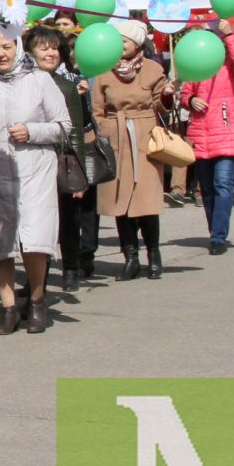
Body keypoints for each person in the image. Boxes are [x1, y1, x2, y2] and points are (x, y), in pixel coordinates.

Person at [0, 27, 69, 334]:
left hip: (35, 165)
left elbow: (64, 126)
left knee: (34, 237)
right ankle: (9, 307)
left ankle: (37, 299)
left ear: (18, 48)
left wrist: (33, 131)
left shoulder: (39, 79)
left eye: (7, 47)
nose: (2, 54)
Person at [91, 20, 170, 280]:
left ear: (137, 43)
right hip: (117, 139)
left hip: (144, 138)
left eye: (124, 40)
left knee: (146, 201)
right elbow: (97, 110)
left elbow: (162, 105)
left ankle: (154, 255)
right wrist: (105, 132)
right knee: (120, 202)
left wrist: (168, 95)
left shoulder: (153, 69)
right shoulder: (104, 71)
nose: (120, 45)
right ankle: (130, 256)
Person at [27, 26, 97, 289]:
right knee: (37, 221)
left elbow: (76, 132)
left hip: (61, 160)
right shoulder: (25, 83)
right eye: (43, 48)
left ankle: (70, 268)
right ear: (31, 53)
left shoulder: (66, 86)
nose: (51, 53)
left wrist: (79, 173)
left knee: (68, 217)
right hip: (33, 160)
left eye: (55, 48)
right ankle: (38, 277)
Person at [179, 21, 234, 255]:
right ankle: (214, 231)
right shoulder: (196, 68)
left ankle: (219, 236)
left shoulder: (229, 65)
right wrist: (191, 101)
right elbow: (185, 93)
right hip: (202, 134)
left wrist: (230, 35)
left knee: (223, 185)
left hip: (226, 133)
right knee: (208, 189)